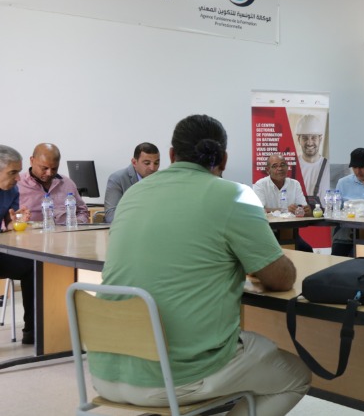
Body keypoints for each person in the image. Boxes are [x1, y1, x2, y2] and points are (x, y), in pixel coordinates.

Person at [91, 115, 310, 413]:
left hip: (104, 368)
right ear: (224, 158)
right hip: (176, 376)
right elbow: (281, 279)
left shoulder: (134, 195)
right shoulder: (234, 195)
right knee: (295, 375)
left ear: (170, 155)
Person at [0, 145, 36, 345]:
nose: (18, 179)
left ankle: (34, 331)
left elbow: (8, 222)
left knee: (32, 267)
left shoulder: (11, 189)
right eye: (12, 172)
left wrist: (16, 222)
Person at [253, 153, 313, 252]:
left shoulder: (295, 184)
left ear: (287, 167)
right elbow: (259, 210)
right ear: (268, 170)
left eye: (283, 165)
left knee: (307, 250)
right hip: (268, 233)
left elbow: (303, 208)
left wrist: (305, 210)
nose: (280, 168)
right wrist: (284, 210)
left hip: (290, 231)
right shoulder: (260, 185)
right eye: (275, 166)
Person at [17, 143, 90, 225]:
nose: (49, 173)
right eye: (44, 168)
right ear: (32, 160)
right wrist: (17, 219)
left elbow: (82, 211)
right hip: (29, 235)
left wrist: (78, 222)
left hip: (64, 235)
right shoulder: (17, 184)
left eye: (54, 169)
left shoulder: (67, 183)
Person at [332, 148, 364, 256]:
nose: (358, 171)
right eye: (354, 167)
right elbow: (335, 210)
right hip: (346, 233)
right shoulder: (343, 183)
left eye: (361, 167)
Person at [103, 142, 160, 223]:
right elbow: (111, 216)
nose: (152, 168)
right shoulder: (117, 179)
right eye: (147, 163)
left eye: (156, 163)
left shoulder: (162, 179)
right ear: (134, 162)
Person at [295, 113, 329, 200]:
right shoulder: (291, 166)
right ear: (299, 140)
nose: (309, 143)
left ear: (320, 139)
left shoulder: (329, 167)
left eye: (313, 138)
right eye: (305, 138)